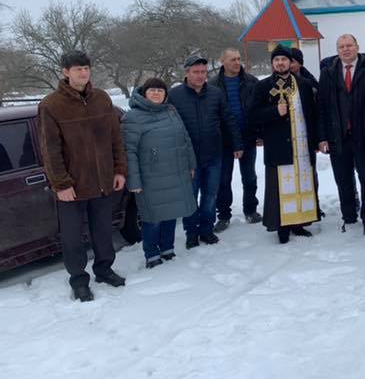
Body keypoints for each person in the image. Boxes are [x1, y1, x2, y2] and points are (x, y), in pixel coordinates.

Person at [38, 50, 127, 301]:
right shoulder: (51, 105)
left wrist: (119, 169)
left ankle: (104, 269)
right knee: (72, 237)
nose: (84, 73)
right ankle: (78, 280)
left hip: (102, 181)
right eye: (78, 69)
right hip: (73, 187)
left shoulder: (101, 99)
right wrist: (61, 184)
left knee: (102, 231)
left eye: (86, 68)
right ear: (66, 72)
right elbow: (50, 150)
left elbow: (115, 139)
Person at [122, 78, 198, 269]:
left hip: (174, 172)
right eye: (152, 90)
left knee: (171, 213)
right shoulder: (133, 117)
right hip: (150, 178)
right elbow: (128, 151)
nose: (156, 93)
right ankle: (152, 253)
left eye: (160, 90)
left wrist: (191, 164)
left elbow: (185, 139)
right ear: (144, 93)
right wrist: (134, 180)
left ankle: (167, 248)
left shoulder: (171, 112)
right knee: (152, 217)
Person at [169, 55, 243, 249]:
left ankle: (207, 230)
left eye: (203, 72)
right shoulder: (174, 96)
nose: (200, 76)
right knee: (190, 197)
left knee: (210, 196)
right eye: (196, 72)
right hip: (189, 159)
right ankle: (191, 233)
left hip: (214, 155)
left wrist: (237, 144)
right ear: (187, 73)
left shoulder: (215, 93)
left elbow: (228, 120)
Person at [250, 45, 321, 243]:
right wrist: (274, 112)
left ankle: (299, 223)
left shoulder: (304, 84)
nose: (280, 63)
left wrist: (315, 140)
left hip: (302, 145)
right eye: (276, 60)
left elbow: (313, 115)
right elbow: (252, 115)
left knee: (302, 182)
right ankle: (282, 227)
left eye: (284, 59)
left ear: (290, 62)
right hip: (278, 146)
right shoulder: (263, 86)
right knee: (281, 187)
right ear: (272, 63)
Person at [318, 34, 365, 230]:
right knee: (343, 180)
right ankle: (349, 216)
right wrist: (322, 137)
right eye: (341, 46)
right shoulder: (328, 72)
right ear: (337, 50)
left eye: (349, 45)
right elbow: (321, 106)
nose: (345, 49)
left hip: (364, 138)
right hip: (338, 137)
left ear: (357, 47)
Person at [209, 48, 261, 231]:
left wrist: (258, 133)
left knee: (249, 177)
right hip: (224, 139)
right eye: (232, 59)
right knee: (224, 179)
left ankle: (251, 210)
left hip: (247, 136)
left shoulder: (251, 82)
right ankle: (223, 215)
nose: (237, 63)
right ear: (222, 61)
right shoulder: (213, 85)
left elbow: (257, 109)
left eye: (239, 59)